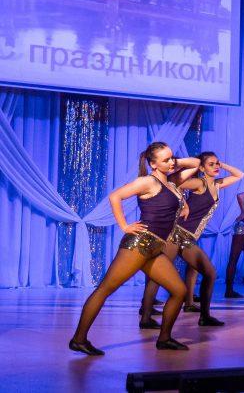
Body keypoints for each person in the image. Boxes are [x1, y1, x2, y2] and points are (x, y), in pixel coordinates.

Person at [69, 142, 199, 355]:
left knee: (179, 291)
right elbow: (115, 196)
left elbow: (195, 163)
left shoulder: (171, 183)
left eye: (172, 158)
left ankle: (164, 338)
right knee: (105, 289)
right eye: (165, 160)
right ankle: (78, 339)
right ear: (152, 164)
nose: (171, 162)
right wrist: (124, 226)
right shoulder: (148, 181)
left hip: (156, 248)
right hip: (139, 245)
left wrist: (173, 162)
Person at [139, 152, 243, 328]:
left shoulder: (217, 184)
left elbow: (239, 175)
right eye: (211, 164)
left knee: (210, 273)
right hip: (176, 232)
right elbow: (172, 183)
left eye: (217, 163)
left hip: (188, 237)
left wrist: (222, 164)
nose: (216, 167)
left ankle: (205, 316)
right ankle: (145, 318)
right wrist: (183, 203)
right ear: (201, 168)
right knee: (158, 276)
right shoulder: (199, 183)